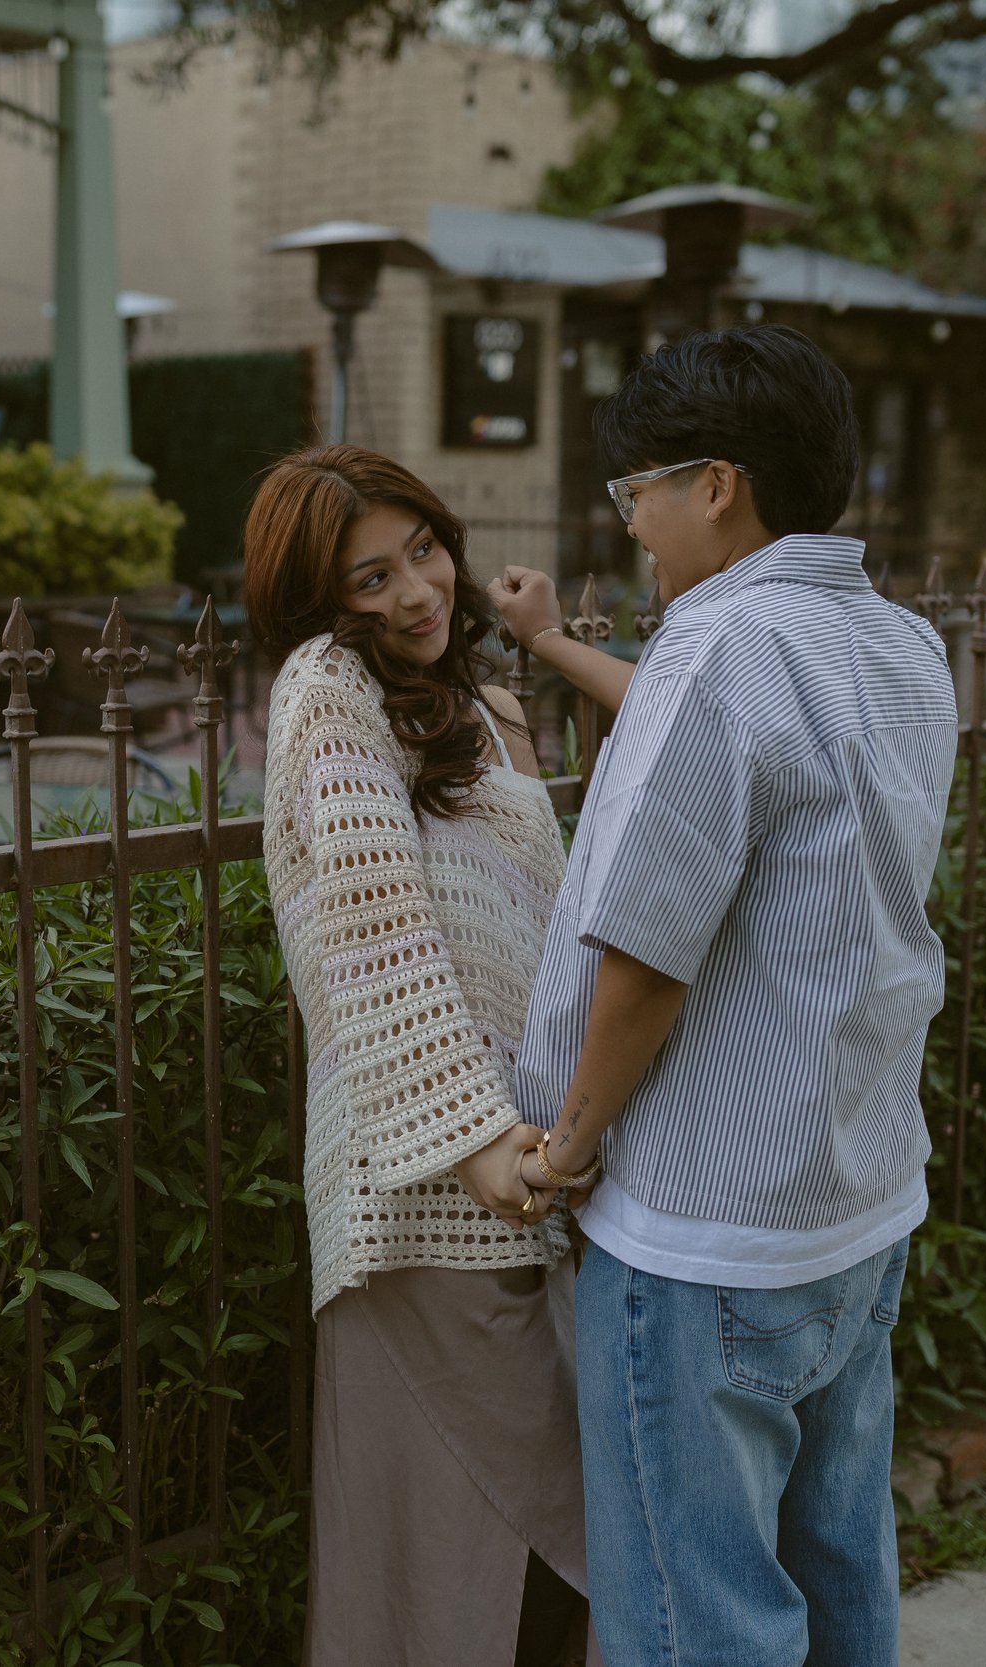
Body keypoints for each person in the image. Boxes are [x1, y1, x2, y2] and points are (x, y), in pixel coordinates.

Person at [502, 325, 961, 1667]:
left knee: (691, 1623)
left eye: (635, 488)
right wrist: (549, 642)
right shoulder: (894, 645)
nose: (631, 520)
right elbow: (720, 735)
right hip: (854, 1203)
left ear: (717, 484)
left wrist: (567, 1141)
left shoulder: (721, 648)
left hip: (702, 1243)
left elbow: (646, 954)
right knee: (837, 1582)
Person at [249, 445, 598, 1667]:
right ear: (316, 599)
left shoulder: (482, 706)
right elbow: (368, 915)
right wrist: (474, 1139)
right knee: (456, 1535)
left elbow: (548, 926)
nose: (412, 591)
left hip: (526, 1175)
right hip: (421, 1186)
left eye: (423, 551)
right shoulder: (324, 683)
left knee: (529, 1539)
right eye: (368, 576)